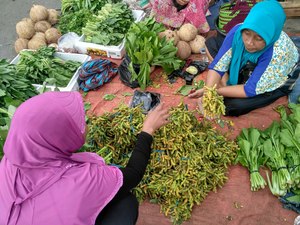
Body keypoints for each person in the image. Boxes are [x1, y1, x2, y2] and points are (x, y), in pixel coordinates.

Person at [0, 91, 170, 225]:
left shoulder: (10, 161)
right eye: (80, 124)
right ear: (61, 136)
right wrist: (148, 130)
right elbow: (133, 175)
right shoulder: (83, 180)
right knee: (126, 202)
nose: (85, 124)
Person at [188, 0, 299, 116]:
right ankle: (228, 85)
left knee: (232, 106)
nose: (249, 42)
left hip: (272, 75)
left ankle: (229, 86)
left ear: (270, 36)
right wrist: (208, 92)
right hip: (247, 64)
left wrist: (215, 92)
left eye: (259, 38)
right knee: (211, 44)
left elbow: (249, 90)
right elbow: (217, 66)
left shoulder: (277, 53)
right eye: (247, 33)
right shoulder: (238, 30)